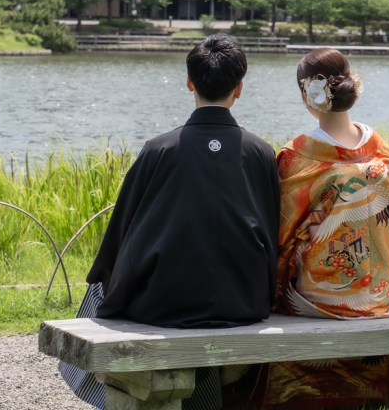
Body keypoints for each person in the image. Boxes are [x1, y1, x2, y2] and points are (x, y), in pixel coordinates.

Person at [60, 34, 281, 409]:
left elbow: (122, 235)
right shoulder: (261, 152)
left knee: (100, 287)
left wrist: (110, 279)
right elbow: (271, 235)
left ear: (189, 83)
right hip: (244, 303)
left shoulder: (159, 149)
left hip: (163, 305)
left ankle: (102, 392)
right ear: (239, 88)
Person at [262, 47, 389, 410]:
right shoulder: (380, 148)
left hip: (325, 299)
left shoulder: (299, 155)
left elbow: (284, 235)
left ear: (308, 97)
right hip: (385, 294)